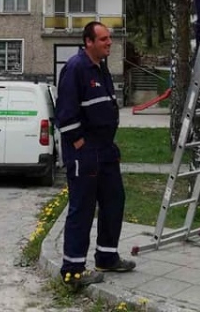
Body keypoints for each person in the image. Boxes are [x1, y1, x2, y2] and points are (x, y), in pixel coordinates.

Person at [54, 21, 136, 290]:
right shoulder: (76, 68)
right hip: (85, 152)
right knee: (82, 208)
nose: (109, 43)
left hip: (105, 149)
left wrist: (108, 146)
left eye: (109, 39)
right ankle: (73, 271)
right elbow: (65, 115)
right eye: (103, 39)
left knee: (114, 201)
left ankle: (107, 257)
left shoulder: (101, 68)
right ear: (88, 41)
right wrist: (80, 144)